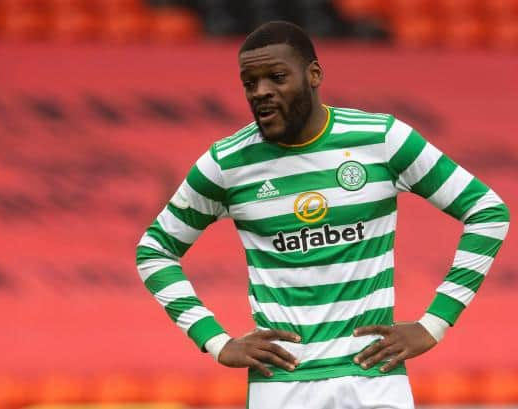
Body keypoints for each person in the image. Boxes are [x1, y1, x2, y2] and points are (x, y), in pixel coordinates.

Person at [135, 21, 510, 408]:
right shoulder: (227, 163)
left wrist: (435, 324)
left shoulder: (380, 140)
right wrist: (215, 341)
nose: (261, 92)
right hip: (281, 384)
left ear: (313, 75)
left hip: (374, 378)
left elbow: (487, 211)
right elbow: (154, 251)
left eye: (277, 77)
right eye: (250, 83)